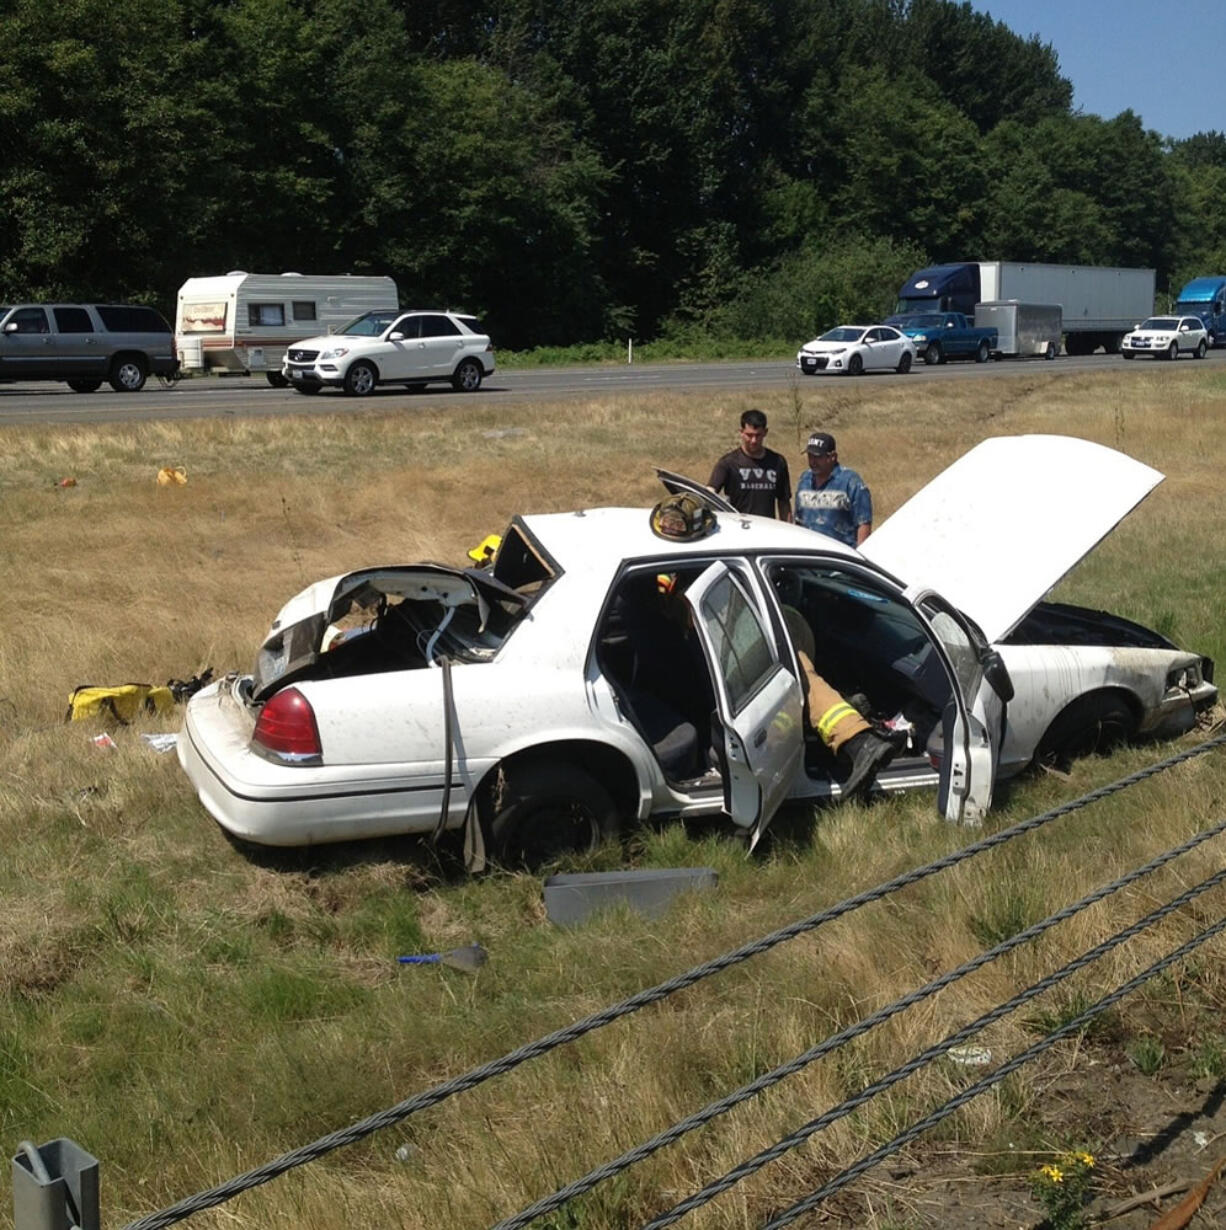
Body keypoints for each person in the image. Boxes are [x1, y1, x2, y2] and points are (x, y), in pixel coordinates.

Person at [796, 650, 897, 800]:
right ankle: (850, 712)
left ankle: (860, 743)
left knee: (806, 683)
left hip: (784, 639)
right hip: (790, 634)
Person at [709, 409, 792, 520]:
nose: (753, 440)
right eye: (749, 435)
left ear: (765, 432)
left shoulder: (777, 462)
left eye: (758, 435)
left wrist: (787, 530)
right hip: (739, 529)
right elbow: (709, 494)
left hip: (768, 529)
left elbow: (784, 502)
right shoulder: (728, 463)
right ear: (741, 432)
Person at [794, 432, 872, 546]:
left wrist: (860, 555)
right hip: (809, 555)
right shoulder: (804, 480)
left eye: (818, 457)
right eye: (810, 456)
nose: (813, 462)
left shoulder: (851, 482)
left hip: (839, 558)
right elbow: (798, 520)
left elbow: (863, 523)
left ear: (833, 457)